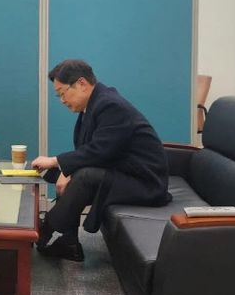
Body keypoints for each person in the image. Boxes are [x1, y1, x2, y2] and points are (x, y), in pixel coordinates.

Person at [32, 59, 171, 261]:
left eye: (62, 93)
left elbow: (101, 151)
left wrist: (56, 161)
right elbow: (89, 151)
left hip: (145, 183)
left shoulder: (110, 105)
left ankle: (44, 229)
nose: (62, 100)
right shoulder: (93, 105)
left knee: (83, 176)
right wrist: (63, 169)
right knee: (62, 172)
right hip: (123, 172)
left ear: (81, 83)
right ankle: (69, 242)